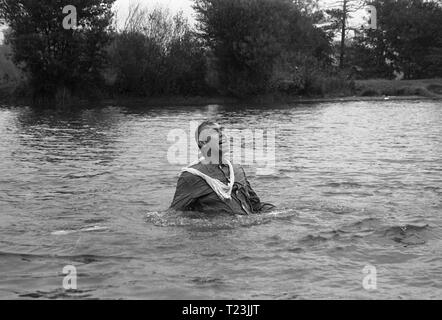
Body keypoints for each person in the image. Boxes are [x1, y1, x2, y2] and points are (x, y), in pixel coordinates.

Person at [169, 120, 275, 215]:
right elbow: (174, 215)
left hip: (244, 233)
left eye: (221, 131)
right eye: (214, 132)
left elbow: (255, 206)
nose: (221, 135)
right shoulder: (191, 176)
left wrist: (277, 213)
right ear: (203, 142)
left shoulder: (237, 170)